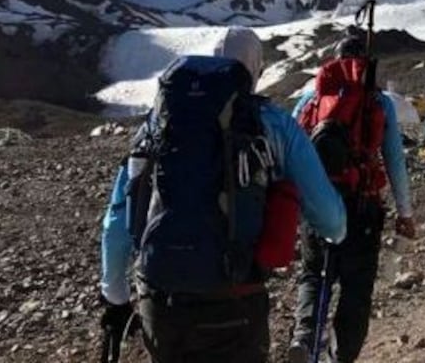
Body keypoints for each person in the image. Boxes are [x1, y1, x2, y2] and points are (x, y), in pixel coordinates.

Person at [98, 26, 347, 363]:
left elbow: (118, 218)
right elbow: (333, 222)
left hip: (161, 303)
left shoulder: (160, 123)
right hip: (235, 303)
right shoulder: (273, 124)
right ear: (255, 70)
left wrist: (115, 295)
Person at [288, 36, 415, 363]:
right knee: (356, 290)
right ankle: (340, 358)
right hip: (363, 206)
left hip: (317, 206)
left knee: (315, 276)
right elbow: (394, 160)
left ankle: (305, 338)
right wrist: (405, 211)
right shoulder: (378, 101)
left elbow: (290, 151)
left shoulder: (310, 99)